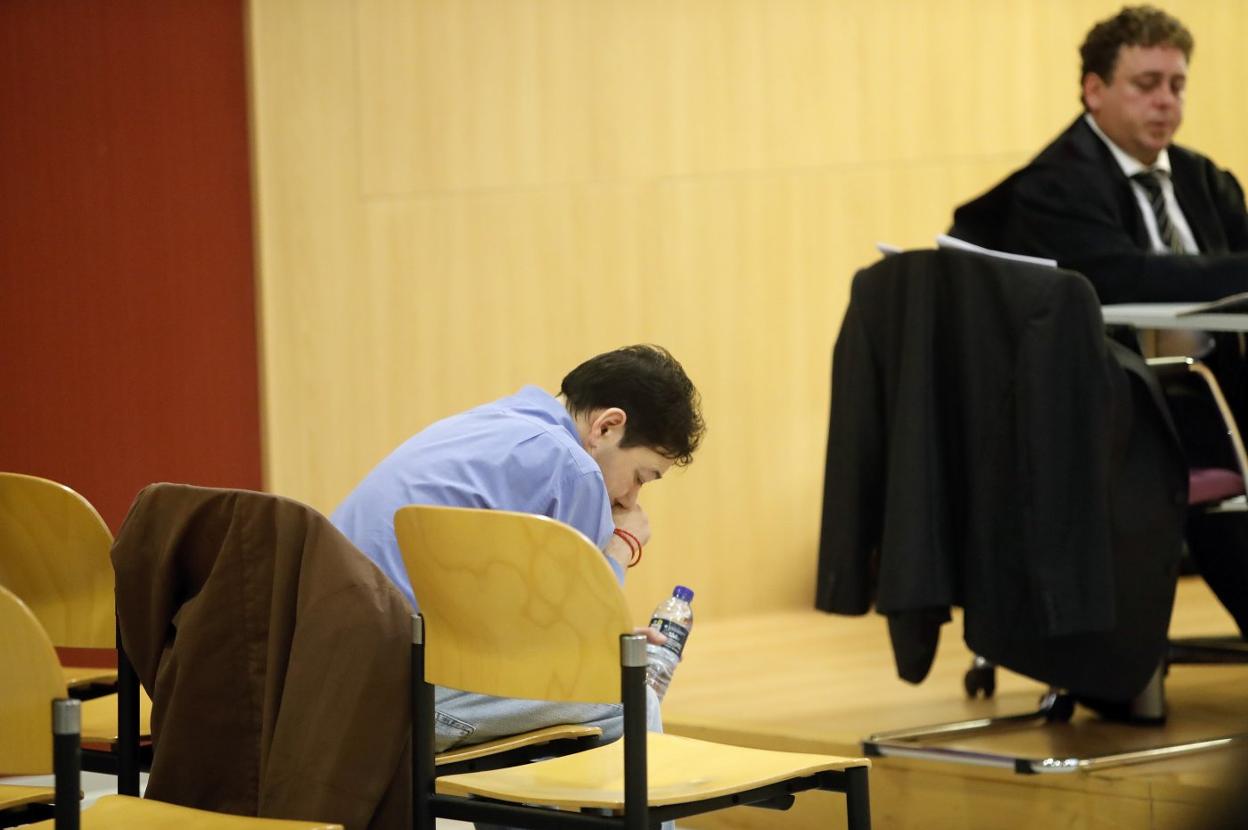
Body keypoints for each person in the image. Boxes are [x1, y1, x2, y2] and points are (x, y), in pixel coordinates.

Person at [331, 343, 705, 754]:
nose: (632, 499)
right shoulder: (572, 468)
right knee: (629, 698)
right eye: (640, 476)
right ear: (606, 427)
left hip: (332, 681)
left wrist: (594, 634)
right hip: (396, 698)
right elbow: (567, 655)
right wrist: (621, 546)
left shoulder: (492, 423)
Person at [950, 4, 1248, 304]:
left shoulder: (1205, 177)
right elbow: (1127, 278)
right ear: (1094, 91)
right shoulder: (1054, 186)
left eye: (1177, 86)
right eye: (1147, 84)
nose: (1166, 100)